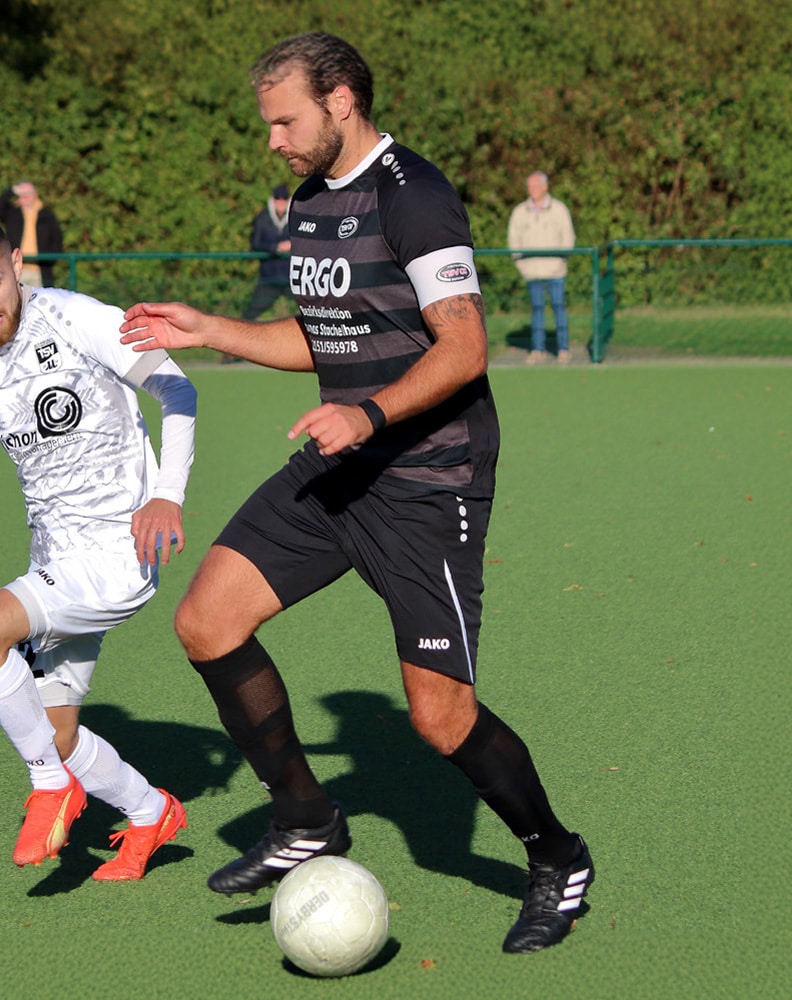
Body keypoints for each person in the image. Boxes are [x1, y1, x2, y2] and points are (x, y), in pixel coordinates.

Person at [119, 32, 593, 955]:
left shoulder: (413, 195)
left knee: (440, 717)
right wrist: (211, 328)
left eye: (285, 121)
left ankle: (557, 855)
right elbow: (323, 335)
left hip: (427, 480)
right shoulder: (309, 200)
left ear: (340, 101)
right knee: (208, 621)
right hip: (343, 463)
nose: (274, 141)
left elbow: (465, 347)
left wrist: (368, 414)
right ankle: (305, 817)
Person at [0, 208, 196, 880]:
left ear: (17, 264)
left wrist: (167, 494)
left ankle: (50, 787)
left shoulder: (77, 319)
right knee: (57, 732)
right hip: (54, 556)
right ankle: (150, 813)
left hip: (118, 554)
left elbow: (177, 388)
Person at [221, 185, 296, 363]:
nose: (281, 203)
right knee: (249, 314)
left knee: (312, 311)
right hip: (269, 278)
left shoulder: (296, 216)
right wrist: (275, 248)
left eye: (284, 199)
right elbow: (256, 244)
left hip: (292, 278)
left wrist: (292, 245)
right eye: (277, 199)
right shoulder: (262, 218)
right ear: (273, 201)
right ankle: (232, 351)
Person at [507, 172, 576, 364]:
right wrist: (522, 265)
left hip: (556, 271)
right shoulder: (520, 211)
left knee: (558, 307)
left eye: (535, 186)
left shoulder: (559, 209)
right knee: (537, 309)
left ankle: (563, 349)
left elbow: (568, 237)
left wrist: (561, 260)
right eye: (529, 186)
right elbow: (514, 241)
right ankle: (538, 350)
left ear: (545, 187)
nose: (532, 190)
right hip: (532, 272)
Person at [0, 181, 64, 286]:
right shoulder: (13, 213)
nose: (24, 198)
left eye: (27, 194)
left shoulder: (47, 215)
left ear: (34, 195)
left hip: (40, 271)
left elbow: (57, 239)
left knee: (38, 296)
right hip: (17, 269)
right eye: (22, 195)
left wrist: (51, 259)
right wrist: (12, 191)